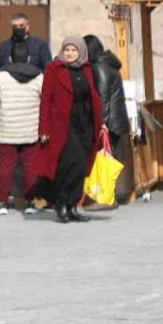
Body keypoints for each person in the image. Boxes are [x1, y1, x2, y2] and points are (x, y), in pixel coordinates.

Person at [36, 37, 103, 224]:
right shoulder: (54, 69)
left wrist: (101, 122)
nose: (70, 53)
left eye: (74, 50)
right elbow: (46, 99)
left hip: (85, 123)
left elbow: (94, 97)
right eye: (67, 50)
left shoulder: (87, 69)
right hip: (63, 125)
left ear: (81, 51)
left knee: (82, 167)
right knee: (74, 162)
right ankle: (62, 203)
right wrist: (44, 128)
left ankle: (73, 206)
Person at [0, 42, 43, 214]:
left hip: (5, 130)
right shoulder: (39, 77)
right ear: (29, 58)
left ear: (10, 58)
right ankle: (31, 202)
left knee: (5, 166)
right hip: (31, 130)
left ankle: (2, 202)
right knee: (30, 167)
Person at [84, 34, 131, 203]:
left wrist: (99, 123)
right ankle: (109, 195)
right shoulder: (109, 64)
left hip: (109, 122)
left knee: (104, 159)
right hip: (117, 121)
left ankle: (105, 197)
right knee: (111, 159)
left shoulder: (99, 67)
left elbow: (102, 99)